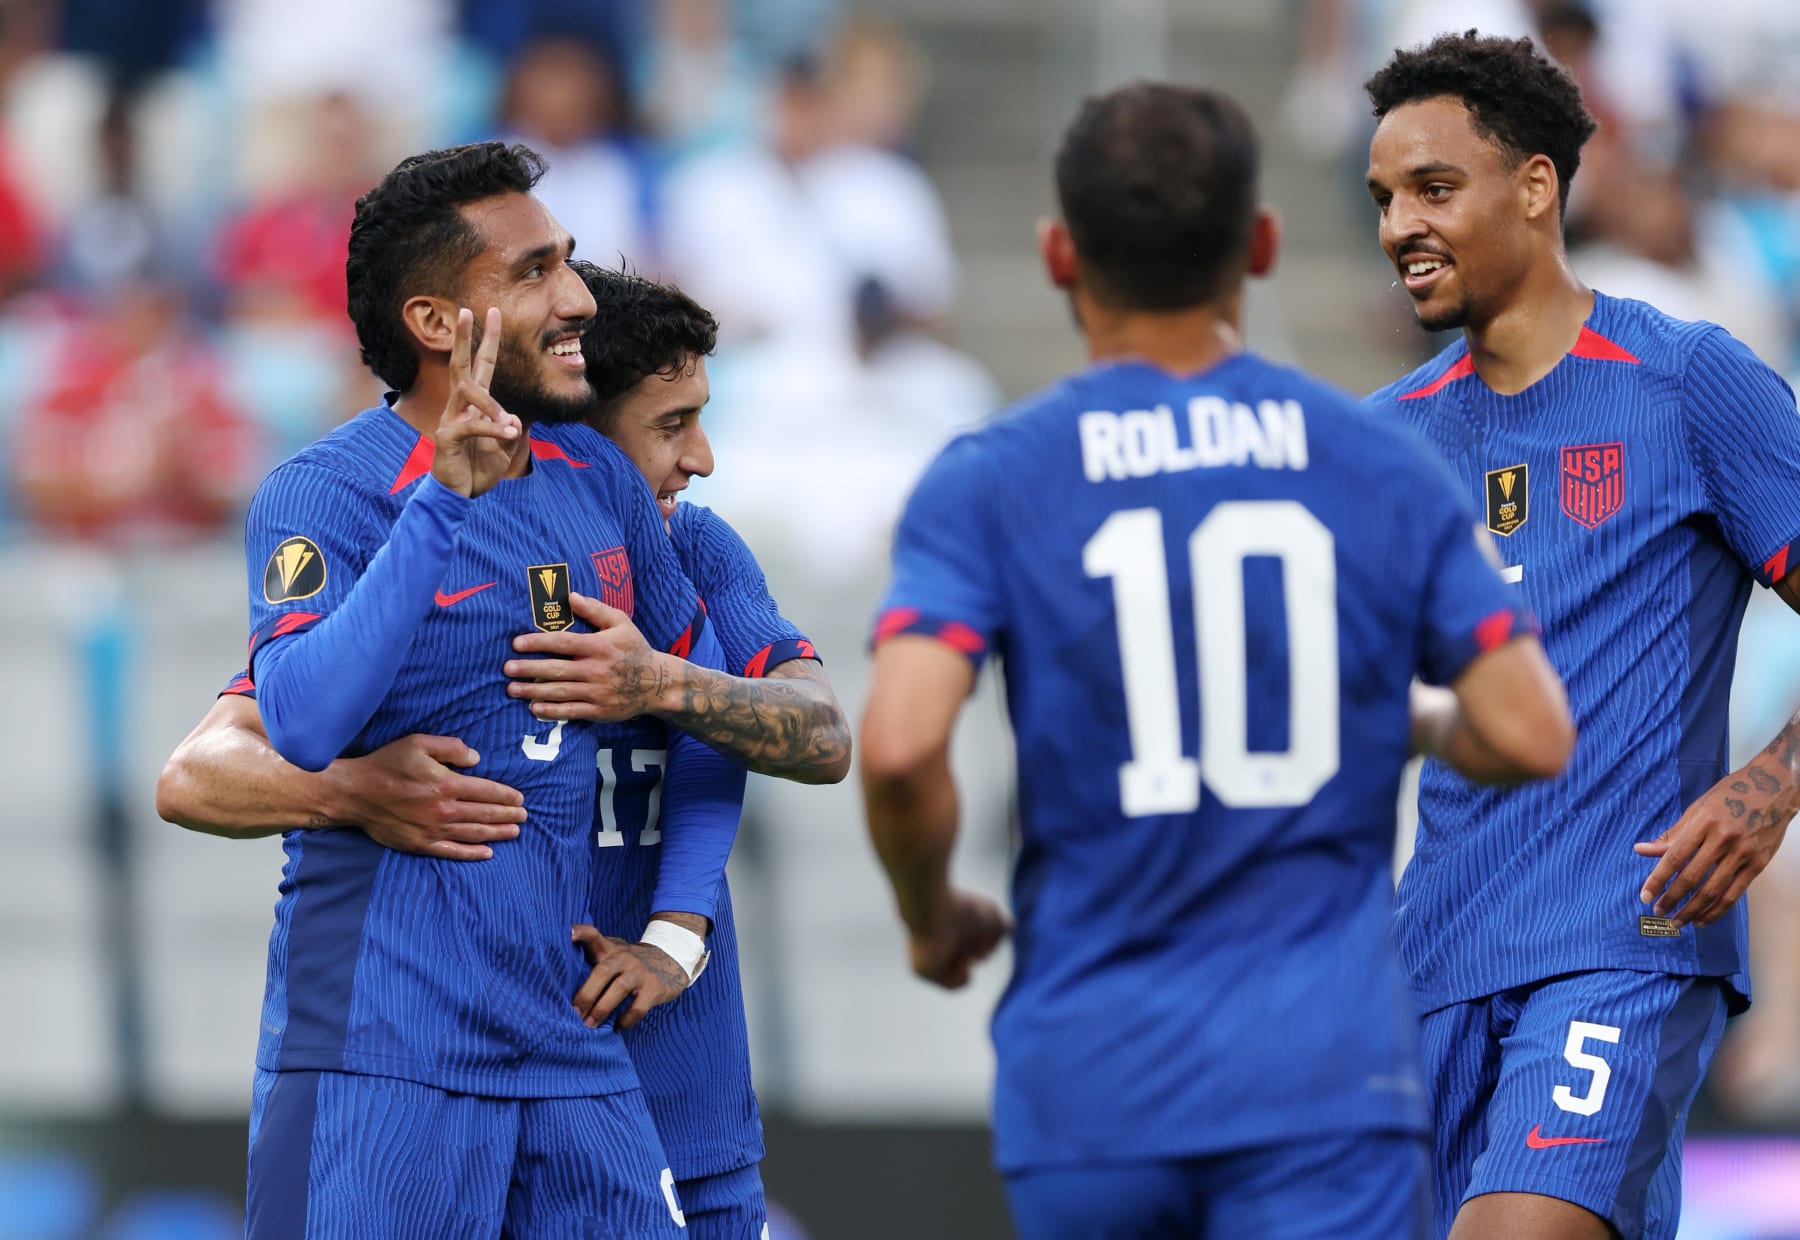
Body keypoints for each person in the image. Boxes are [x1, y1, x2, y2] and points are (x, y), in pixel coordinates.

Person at [858, 81, 1573, 1240]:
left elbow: (895, 746)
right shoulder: (1375, 461)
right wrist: (1421, 722)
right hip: (1325, 1082)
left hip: (1092, 1079)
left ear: (1057, 253)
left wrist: (930, 914)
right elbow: (1533, 732)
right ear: (1262, 243)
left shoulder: (989, 477)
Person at [158, 261, 851, 1238]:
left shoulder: (699, 553)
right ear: (573, 431)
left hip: (675, 1057)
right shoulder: (454, 580)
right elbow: (195, 770)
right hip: (474, 1052)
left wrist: (675, 930)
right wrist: (357, 789)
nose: (700, 459)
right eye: (668, 425)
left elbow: (815, 734)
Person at [216, 140, 743, 1237]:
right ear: (439, 323)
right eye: (537, 272)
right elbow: (304, 722)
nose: (579, 299)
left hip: (569, 1055)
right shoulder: (326, 492)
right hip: (376, 1053)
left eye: (571, 263)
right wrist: (444, 501)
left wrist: (677, 933)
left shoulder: (596, 477)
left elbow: (704, 707)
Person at [1361, 32, 1800, 1240]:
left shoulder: (1689, 382)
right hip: (1431, 962)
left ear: (1539, 187)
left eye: (1434, 189)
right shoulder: (1379, 442)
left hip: (1627, 934)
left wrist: (1770, 781)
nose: (1401, 224)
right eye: (1385, 198)